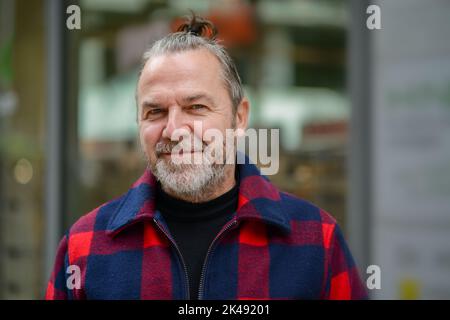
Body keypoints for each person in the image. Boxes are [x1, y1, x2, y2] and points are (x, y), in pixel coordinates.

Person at [45, 14, 367, 300]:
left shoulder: (316, 242)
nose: (174, 130)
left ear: (239, 118)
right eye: (155, 111)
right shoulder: (84, 248)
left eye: (196, 107)